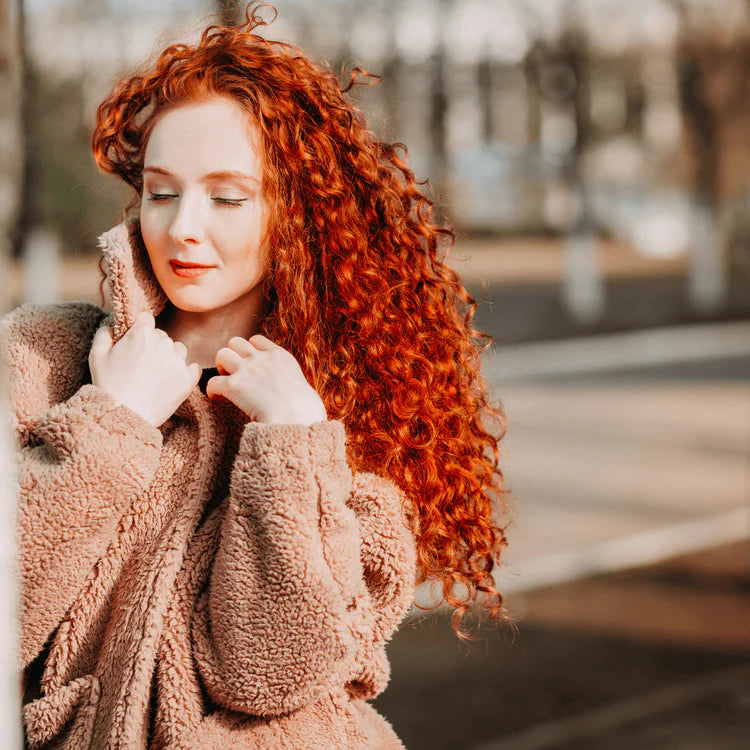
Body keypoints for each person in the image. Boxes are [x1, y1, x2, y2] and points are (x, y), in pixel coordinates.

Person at [3, 4, 510, 748]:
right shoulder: (40, 356)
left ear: (296, 217)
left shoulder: (355, 422)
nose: (183, 228)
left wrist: (293, 447)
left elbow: (267, 673)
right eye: (162, 191)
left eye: (228, 197)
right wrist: (109, 424)